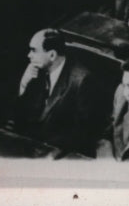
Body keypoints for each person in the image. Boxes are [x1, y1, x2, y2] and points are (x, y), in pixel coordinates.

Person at [14, 28, 100, 156]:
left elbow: (84, 132)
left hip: (57, 152)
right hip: (30, 145)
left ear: (52, 55)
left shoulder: (82, 80)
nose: (29, 55)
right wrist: (23, 84)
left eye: (34, 50)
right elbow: (20, 117)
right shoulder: (35, 71)